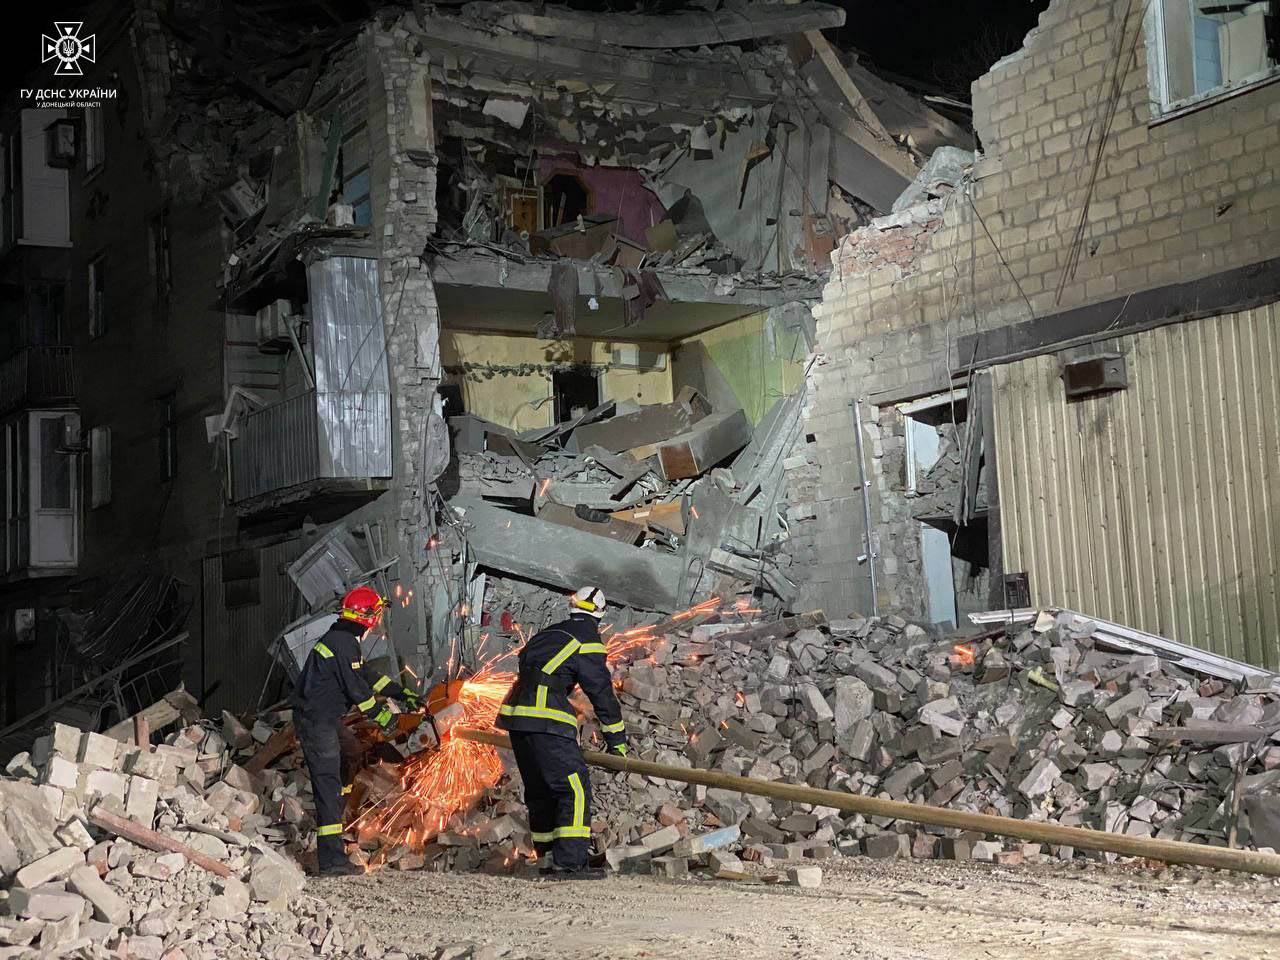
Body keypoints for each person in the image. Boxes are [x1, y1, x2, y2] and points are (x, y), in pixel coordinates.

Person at [496, 586, 627, 879]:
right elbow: (601, 692)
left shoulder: (550, 633)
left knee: (540, 790)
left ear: (572, 607)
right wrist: (617, 741)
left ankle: (547, 856)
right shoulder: (587, 640)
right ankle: (570, 862)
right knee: (574, 787)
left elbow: (528, 664)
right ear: (600, 615)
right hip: (546, 719)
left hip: (516, 717)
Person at [294, 585, 420, 876]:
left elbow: (365, 675)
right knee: (327, 783)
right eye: (377, 613)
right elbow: (358, 691)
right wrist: (383, 717)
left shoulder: (344, 639)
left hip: (325, 717)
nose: (379, 619)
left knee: (351, 752)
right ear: (368, 617)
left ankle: (339, 801)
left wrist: (400, 692)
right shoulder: (343, 642)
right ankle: (332, 861)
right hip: (316, 721)